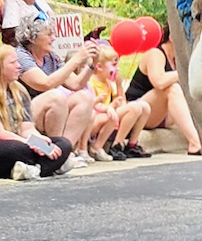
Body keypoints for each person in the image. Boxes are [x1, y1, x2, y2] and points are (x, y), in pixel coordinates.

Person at [15, 16, 96, 166]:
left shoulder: (51, 57)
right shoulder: (21, 55)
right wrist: (76, 59)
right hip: (22, 115)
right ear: (32, 38)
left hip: (45, 110)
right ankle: (54, 156)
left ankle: (63, 153)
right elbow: (44, 84)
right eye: (49, 34)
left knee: (84, 97)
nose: (54, 38)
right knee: (55, 97)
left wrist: (92, 65)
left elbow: (76, 84)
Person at [0, 43, 74, 178]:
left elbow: (26, 129)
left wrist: (40, 141)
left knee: (62, 144)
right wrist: (30, 143)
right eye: (13, 63)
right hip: (8, 144)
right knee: (15, 149)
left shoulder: (19, 91)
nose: (19, 66)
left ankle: (31, 170)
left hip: (20, 140)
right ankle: (46, 167)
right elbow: (2, 134)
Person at [125, 25, 201, 155]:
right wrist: (182, 73)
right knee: (171, 89)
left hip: (162, 115)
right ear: (172, 37)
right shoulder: (155, 54)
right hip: (139, 110)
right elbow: (159, 82)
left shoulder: (178, 59)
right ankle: (195, 143)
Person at [87, 45, 152, 159]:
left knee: (144, 107)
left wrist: (119, 86)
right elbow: (94, 105)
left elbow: (123, 103)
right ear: (99, 67)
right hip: (98, 117)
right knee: (134, 108)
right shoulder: (92, 83)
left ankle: (132, 144)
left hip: (109, 113)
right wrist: (111, 106)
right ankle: (117, 144)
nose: (117, 69)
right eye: (113, 65)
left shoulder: (109, 83)